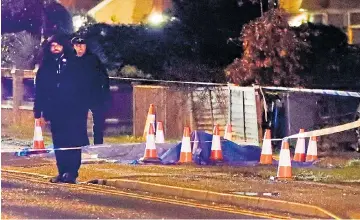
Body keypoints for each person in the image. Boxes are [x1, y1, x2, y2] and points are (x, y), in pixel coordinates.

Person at [34, 34, 95, 184]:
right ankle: (62, 172)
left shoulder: (75, 63)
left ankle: (72, 172)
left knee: (73, 141)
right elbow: (40, 91)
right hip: (55, 111)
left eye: (58, 45)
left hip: (74, 110)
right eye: (52, 46)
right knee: (59, 142)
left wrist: (85, 107)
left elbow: (85, 86)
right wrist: (38, 113)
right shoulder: (45, 66)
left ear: (64, 46)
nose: (55, 48)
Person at [71, 36, 110, 145]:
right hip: (79, 96)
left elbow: (104, 76)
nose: (80, 48)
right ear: (73, 46)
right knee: (80, 122)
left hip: (95, 95)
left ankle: (98, 145)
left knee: (98, 122)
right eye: (77, 45)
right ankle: (84, 145)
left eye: (82, 45)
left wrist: (104, 92)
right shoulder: (71, 60)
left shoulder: (93, 59)